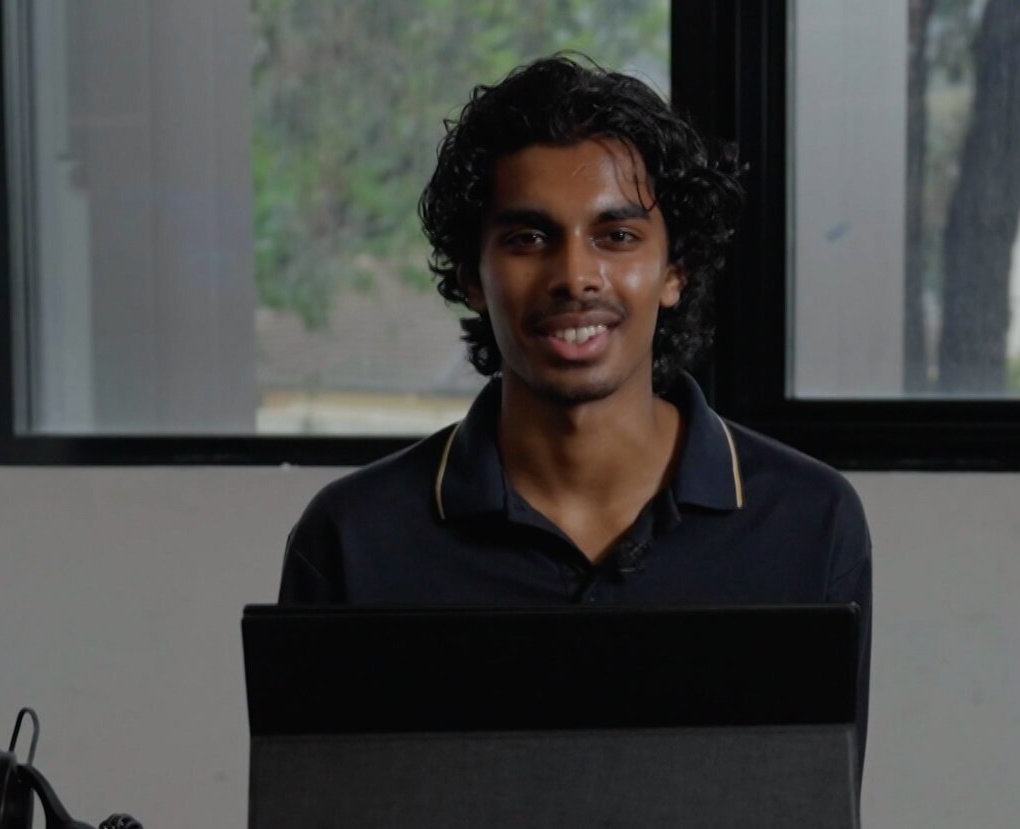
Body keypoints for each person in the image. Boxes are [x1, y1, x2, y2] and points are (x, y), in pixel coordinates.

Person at [277, 55, 873, 757]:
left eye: (617, 237)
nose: (574, 277)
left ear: (674, 270)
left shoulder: (808, 522)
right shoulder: (352, 541)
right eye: (528, 238)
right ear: (472, 275)